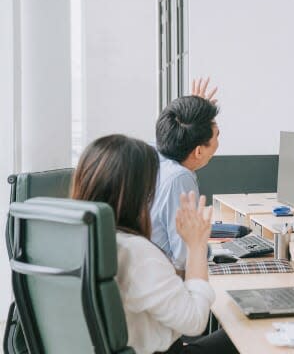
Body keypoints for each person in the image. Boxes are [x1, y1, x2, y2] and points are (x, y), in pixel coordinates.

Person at [71, 134, 237, 354]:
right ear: (138, 192)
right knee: (246, 332)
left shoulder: (75, 239)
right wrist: (196, 246)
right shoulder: (135, 252)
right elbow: (195, 322)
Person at [151, 78, 220, 271]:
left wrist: (194, 112)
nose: (217, 140)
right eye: (217, 136)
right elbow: (186, 258)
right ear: (198, 152)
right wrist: (208, 250)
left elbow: (171, 131)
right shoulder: (180, 178)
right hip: (169, 281)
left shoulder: (155, 157)